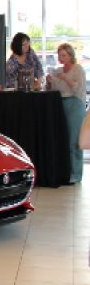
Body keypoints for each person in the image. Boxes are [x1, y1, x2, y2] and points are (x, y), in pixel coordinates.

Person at [46, 43, 86, 184]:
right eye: (59, 55)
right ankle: (66, 171)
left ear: (70, 56)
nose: (61, 58)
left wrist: (66, 79)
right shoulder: (58, 70)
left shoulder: (78, 69)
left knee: (74, 141)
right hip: (61, 103)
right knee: (64, 140)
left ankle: (76, 173)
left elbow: (79, 90)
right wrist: (49, 82)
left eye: (64, 55)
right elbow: (53, 90)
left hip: (75, 104)